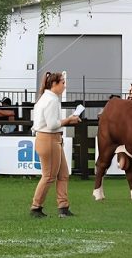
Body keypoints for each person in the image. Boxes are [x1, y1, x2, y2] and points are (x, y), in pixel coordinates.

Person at [29, 72, 82, 218]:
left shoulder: (47, 98)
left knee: (63, 174)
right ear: (54, 84)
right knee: (49, 176)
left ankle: (63, 207)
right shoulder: (51, 100)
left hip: (50, 139)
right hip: (49, 139)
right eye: (63, 83)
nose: (64, 86)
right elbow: (52, 125)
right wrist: (69, 120)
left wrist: (67, 120)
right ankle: (36, 207)